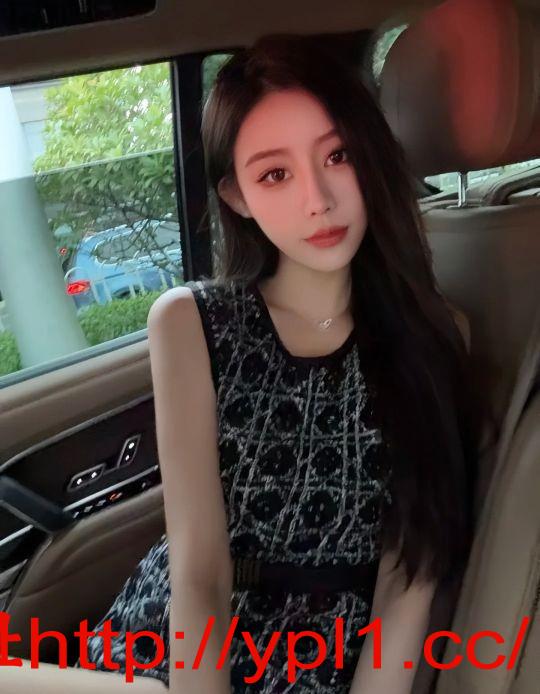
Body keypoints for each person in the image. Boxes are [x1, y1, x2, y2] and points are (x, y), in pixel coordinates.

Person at [2, 33, 479, 694]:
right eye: (275, 174)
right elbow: (198, 570)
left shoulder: (434, 336)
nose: (318, 199)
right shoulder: (191, 322)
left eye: (337, 155)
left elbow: (410, 577)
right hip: (173, 652)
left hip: (316, 661)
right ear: (237, 197)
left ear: (370, 153)